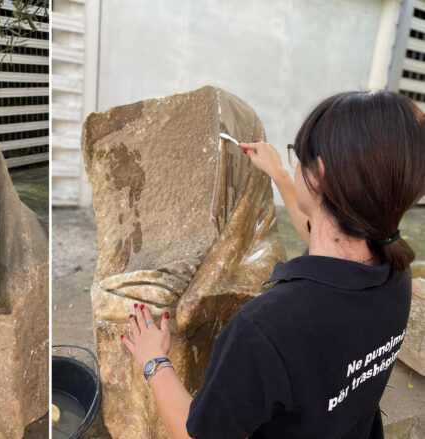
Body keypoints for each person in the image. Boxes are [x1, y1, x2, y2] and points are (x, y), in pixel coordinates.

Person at [121, 90, 425, 438]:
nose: (294, 164)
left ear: (318, 175)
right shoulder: (395, 275)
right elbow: (328, 232)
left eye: (298, 157)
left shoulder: (264, 328)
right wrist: (279, 173)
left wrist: (153, 362)